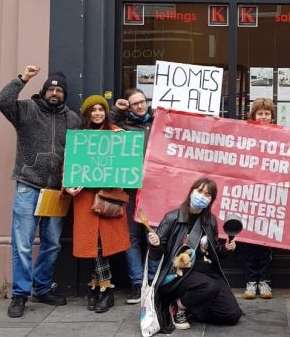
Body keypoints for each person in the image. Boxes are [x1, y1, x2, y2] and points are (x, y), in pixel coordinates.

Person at [0, 65, 81, 318]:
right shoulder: (26, 110)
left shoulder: (73, 119)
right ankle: (20, 294)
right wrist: (23, 78)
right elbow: (1, 101)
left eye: (60, 90)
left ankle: (42, 288)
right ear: (43, 91)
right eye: (51, 89)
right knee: (22, 244)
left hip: (57, 190)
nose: (55, 93)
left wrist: (72, 180)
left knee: (52, 243)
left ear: (64, 94)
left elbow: (79, 153)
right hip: (28, 184)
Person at [147, 177, 242, 333]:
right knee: (209, 287)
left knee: (232, 314)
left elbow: (214, 252)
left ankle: (192, 305)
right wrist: (156, 244)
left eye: (207, 194)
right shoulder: (172, 218)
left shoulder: (210, 220)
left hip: (205, 270)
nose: (202, 196)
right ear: (191, 192)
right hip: (179, 273)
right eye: (199, 191)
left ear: (211, 200)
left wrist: (225, 248)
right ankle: (177, 307)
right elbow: (157, 256)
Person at [64, 95, 131, 313]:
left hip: (108, 196)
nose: (97, 113)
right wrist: (67, 186)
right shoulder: (79, 137)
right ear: (87, 114)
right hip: (84, 198)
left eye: (100, 109)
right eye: (92, 110)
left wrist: (124, 141)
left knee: (101, 244)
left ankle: (102, 288)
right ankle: (102, 289)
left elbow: (127, 161)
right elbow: (68, 163)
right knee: (94, 243)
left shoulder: (116, 134)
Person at [111, 88, 154, 304]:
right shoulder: (122, 127)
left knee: (154, 236)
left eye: (142, 101)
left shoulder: (158, 123)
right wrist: (116, 112)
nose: (139, 105)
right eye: (134, 103)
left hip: (154, 190)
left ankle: (154, 282)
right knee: (132, 238)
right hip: (129, 191)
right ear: (128, 106)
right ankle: (137, 283)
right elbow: (97, 127)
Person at [241, 97, 276, 300]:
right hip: (248, 194)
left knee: (265, 242)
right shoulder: (244, 134)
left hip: (269, 195)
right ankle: (250, 280)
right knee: (247, 241)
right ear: (253, 116)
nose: (263, 117)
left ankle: (264, 280)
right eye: (260, 113)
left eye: (266, 114)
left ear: (272, 117)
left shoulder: (280, 134)